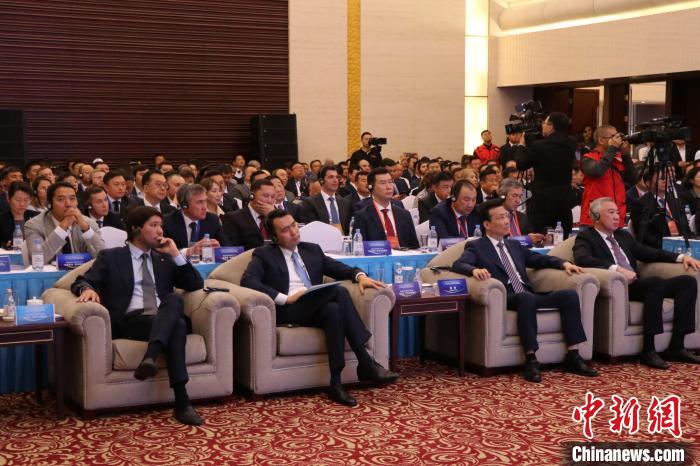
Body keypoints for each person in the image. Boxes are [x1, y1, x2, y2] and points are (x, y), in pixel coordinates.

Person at [240, 209, 398, 406]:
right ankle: (365, 361)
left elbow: (340, 268)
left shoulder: (311, 250)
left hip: (314, 307)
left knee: (334, 311)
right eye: (286, 230)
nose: (294, 232)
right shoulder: (264, 254)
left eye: (294, 225)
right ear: (274, 237)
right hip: (288, 310)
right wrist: (285, 298)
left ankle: (336, 383)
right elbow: (248, 281)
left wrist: (360, 276)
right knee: (339, 292)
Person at [71, 206, 205, 425]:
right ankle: (182, 404)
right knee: (178, 325)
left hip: (162, 317)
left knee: (174, 302)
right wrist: (86, 289)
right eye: (153, 225)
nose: (160, 231)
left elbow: (195, 284)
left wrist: (175, 254)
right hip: (131, 322)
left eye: (161, 225)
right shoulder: (112, 257)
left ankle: (151, 357)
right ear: (136, 229)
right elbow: (82, 280)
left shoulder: (163, 258)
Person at [452, 198, 597, 383]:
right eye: (500, 218)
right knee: (526, 298)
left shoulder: (513, 245)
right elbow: (459, 264)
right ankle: (531, 358)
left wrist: (564, 264)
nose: (506, 221)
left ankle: (573, 355)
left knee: (569, 295)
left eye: (507, 216)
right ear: (487, 224)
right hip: (507, 297)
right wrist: (473, 270)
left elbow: (539, 259)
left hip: (527, 295)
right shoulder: (477, 246)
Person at [573, 197, 700, 369]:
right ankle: (649, 350)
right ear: (596, 216)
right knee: (654, 283)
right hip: (620, 286)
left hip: (638, 283)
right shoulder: (586, 237)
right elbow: (582, 259)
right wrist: (617, 269)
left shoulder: (623, 235)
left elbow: (648, 252)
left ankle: (677, 346)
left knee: (687, 282)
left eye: (617, 212)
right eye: (611, 212)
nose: (617, 216)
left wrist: (681, 257)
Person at [515, 112, 577, 236]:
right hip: (564, 199)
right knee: (563, 236)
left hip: (542, 201)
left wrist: (521, 145)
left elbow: (521, 164)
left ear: (551, 127)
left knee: (538, 236)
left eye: (544, 123)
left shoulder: (538, 146)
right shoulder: (571, 143)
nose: (542, 125)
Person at [22, 181, 105, 265]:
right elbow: (38, 260)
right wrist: (62, 227)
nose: (68, 204)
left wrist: (86, 229)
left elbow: (104, 256)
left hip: (83, 272)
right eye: (61, 199)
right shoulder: (34, 225)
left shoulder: (87, 223)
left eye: (72, 199)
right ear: (50, 204)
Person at [579, 125, 636, 228]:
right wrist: (612, 149)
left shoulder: (618, 159)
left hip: (617, 219)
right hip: (594, 220)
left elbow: (634, 179)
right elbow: (597, 171)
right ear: (601, 140)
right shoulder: (588, 158)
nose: (618, 140)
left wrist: (625, 155)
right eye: (613, 137)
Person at [352, 168, 419, 249]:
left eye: (390, 182)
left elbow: (414, 246)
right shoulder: (363, 216)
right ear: (371, 187)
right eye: (383, 183)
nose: (388, 187)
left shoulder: (404, 214)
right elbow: (359, 247)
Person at [629, 167, 692, 249]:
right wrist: (669, 245)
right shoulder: (640, 204)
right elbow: (645, 236)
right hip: (658, 248)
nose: (664, 180)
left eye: (666, 177)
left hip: (681, 244)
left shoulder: (676, 200)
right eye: (660, 178)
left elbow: (685, 228)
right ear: (648, 183)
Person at [162, 184, 228, 259]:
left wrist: (218, 249)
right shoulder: (168, 222)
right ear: (184, 205)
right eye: (199, 202)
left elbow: (226, 247)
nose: (205, 207)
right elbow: (164, 253)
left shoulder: (212, 220)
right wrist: (188, 252)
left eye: (205, 201)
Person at [222, 179, 276, 250]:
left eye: (273, 197)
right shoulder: (233, 218)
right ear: (252, 196)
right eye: (265, 196)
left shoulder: (276, 217)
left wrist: (274, 216)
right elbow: (231, 249)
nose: (269, 201)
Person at [302, 165, 352, 234]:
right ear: (321, 180)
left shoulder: (345, 203)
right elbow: (312, 229)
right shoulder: (310, 203)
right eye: (331, 177)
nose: (335, 180)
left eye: (337, 177)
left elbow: (349, 228)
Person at [499, 178, 543, 245]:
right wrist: (525, 239)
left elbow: (530, 239)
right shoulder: (494, 217)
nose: (518, 201)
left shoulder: (523, 217)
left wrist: (538, 240)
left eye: (520, 196)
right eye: (514, 196)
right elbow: (496, 241)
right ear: (503, 196)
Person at [0, 182, 38, 248]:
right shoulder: (1, 219)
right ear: (8, 199)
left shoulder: (36, 216)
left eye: (26, 200)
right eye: (18, 200)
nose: (22, 204)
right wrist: (4, 246)